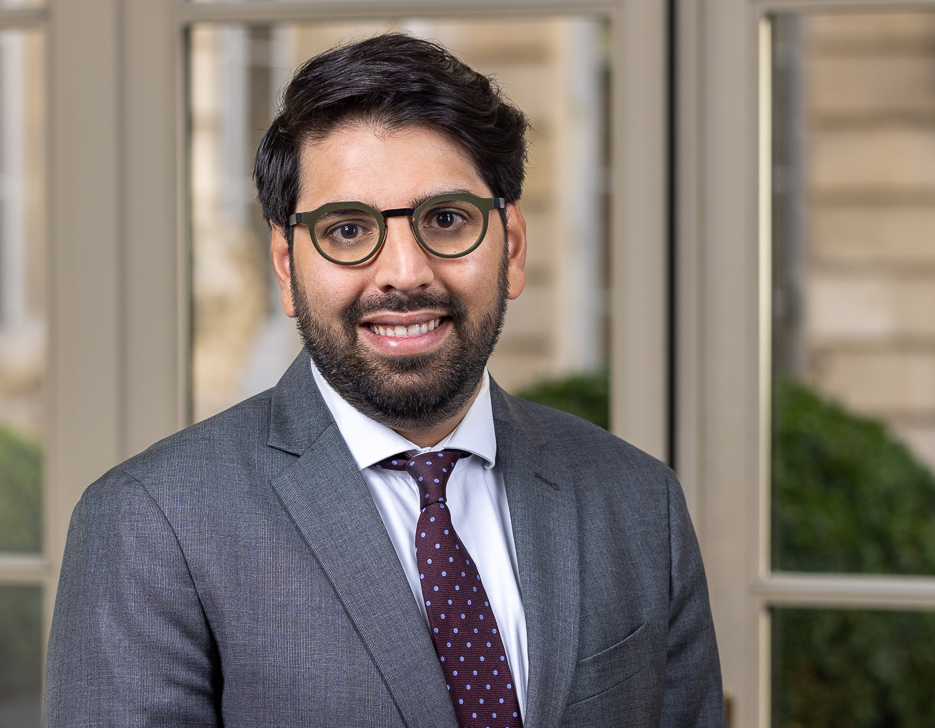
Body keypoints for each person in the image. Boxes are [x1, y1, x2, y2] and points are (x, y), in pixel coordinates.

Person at [44, 34, 724, 728]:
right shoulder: (151, 523)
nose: (404, 273)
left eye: (447, 220)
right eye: (347, 230)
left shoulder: (640, 502)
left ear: (513, 247)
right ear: (286, 266)